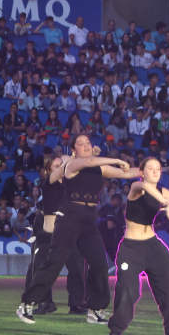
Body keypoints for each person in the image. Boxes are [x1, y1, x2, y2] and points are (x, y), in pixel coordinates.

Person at [17, 135, 140, 324]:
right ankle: (27, 303)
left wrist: (148, 170)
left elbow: (126, 174)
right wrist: (116, 159)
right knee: (55, 262)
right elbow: (89, 161)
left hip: (89, 218)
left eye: (88, 143)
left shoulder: (98, 168)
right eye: (80, 144)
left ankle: (96, 308)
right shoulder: (71, 165)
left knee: (99, 263)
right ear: (73, 150)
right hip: (70, 216)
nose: (85, 146)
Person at [108, 157, 169, 335]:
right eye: (150, 168)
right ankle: (116, 330)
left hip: (153, 245)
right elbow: (147, 189)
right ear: (142, 172)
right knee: (129, 291)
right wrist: (166, 204)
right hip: (131, 247)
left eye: (158, 169)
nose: (155, 171)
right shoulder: (137, 187)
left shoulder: (162, 191)